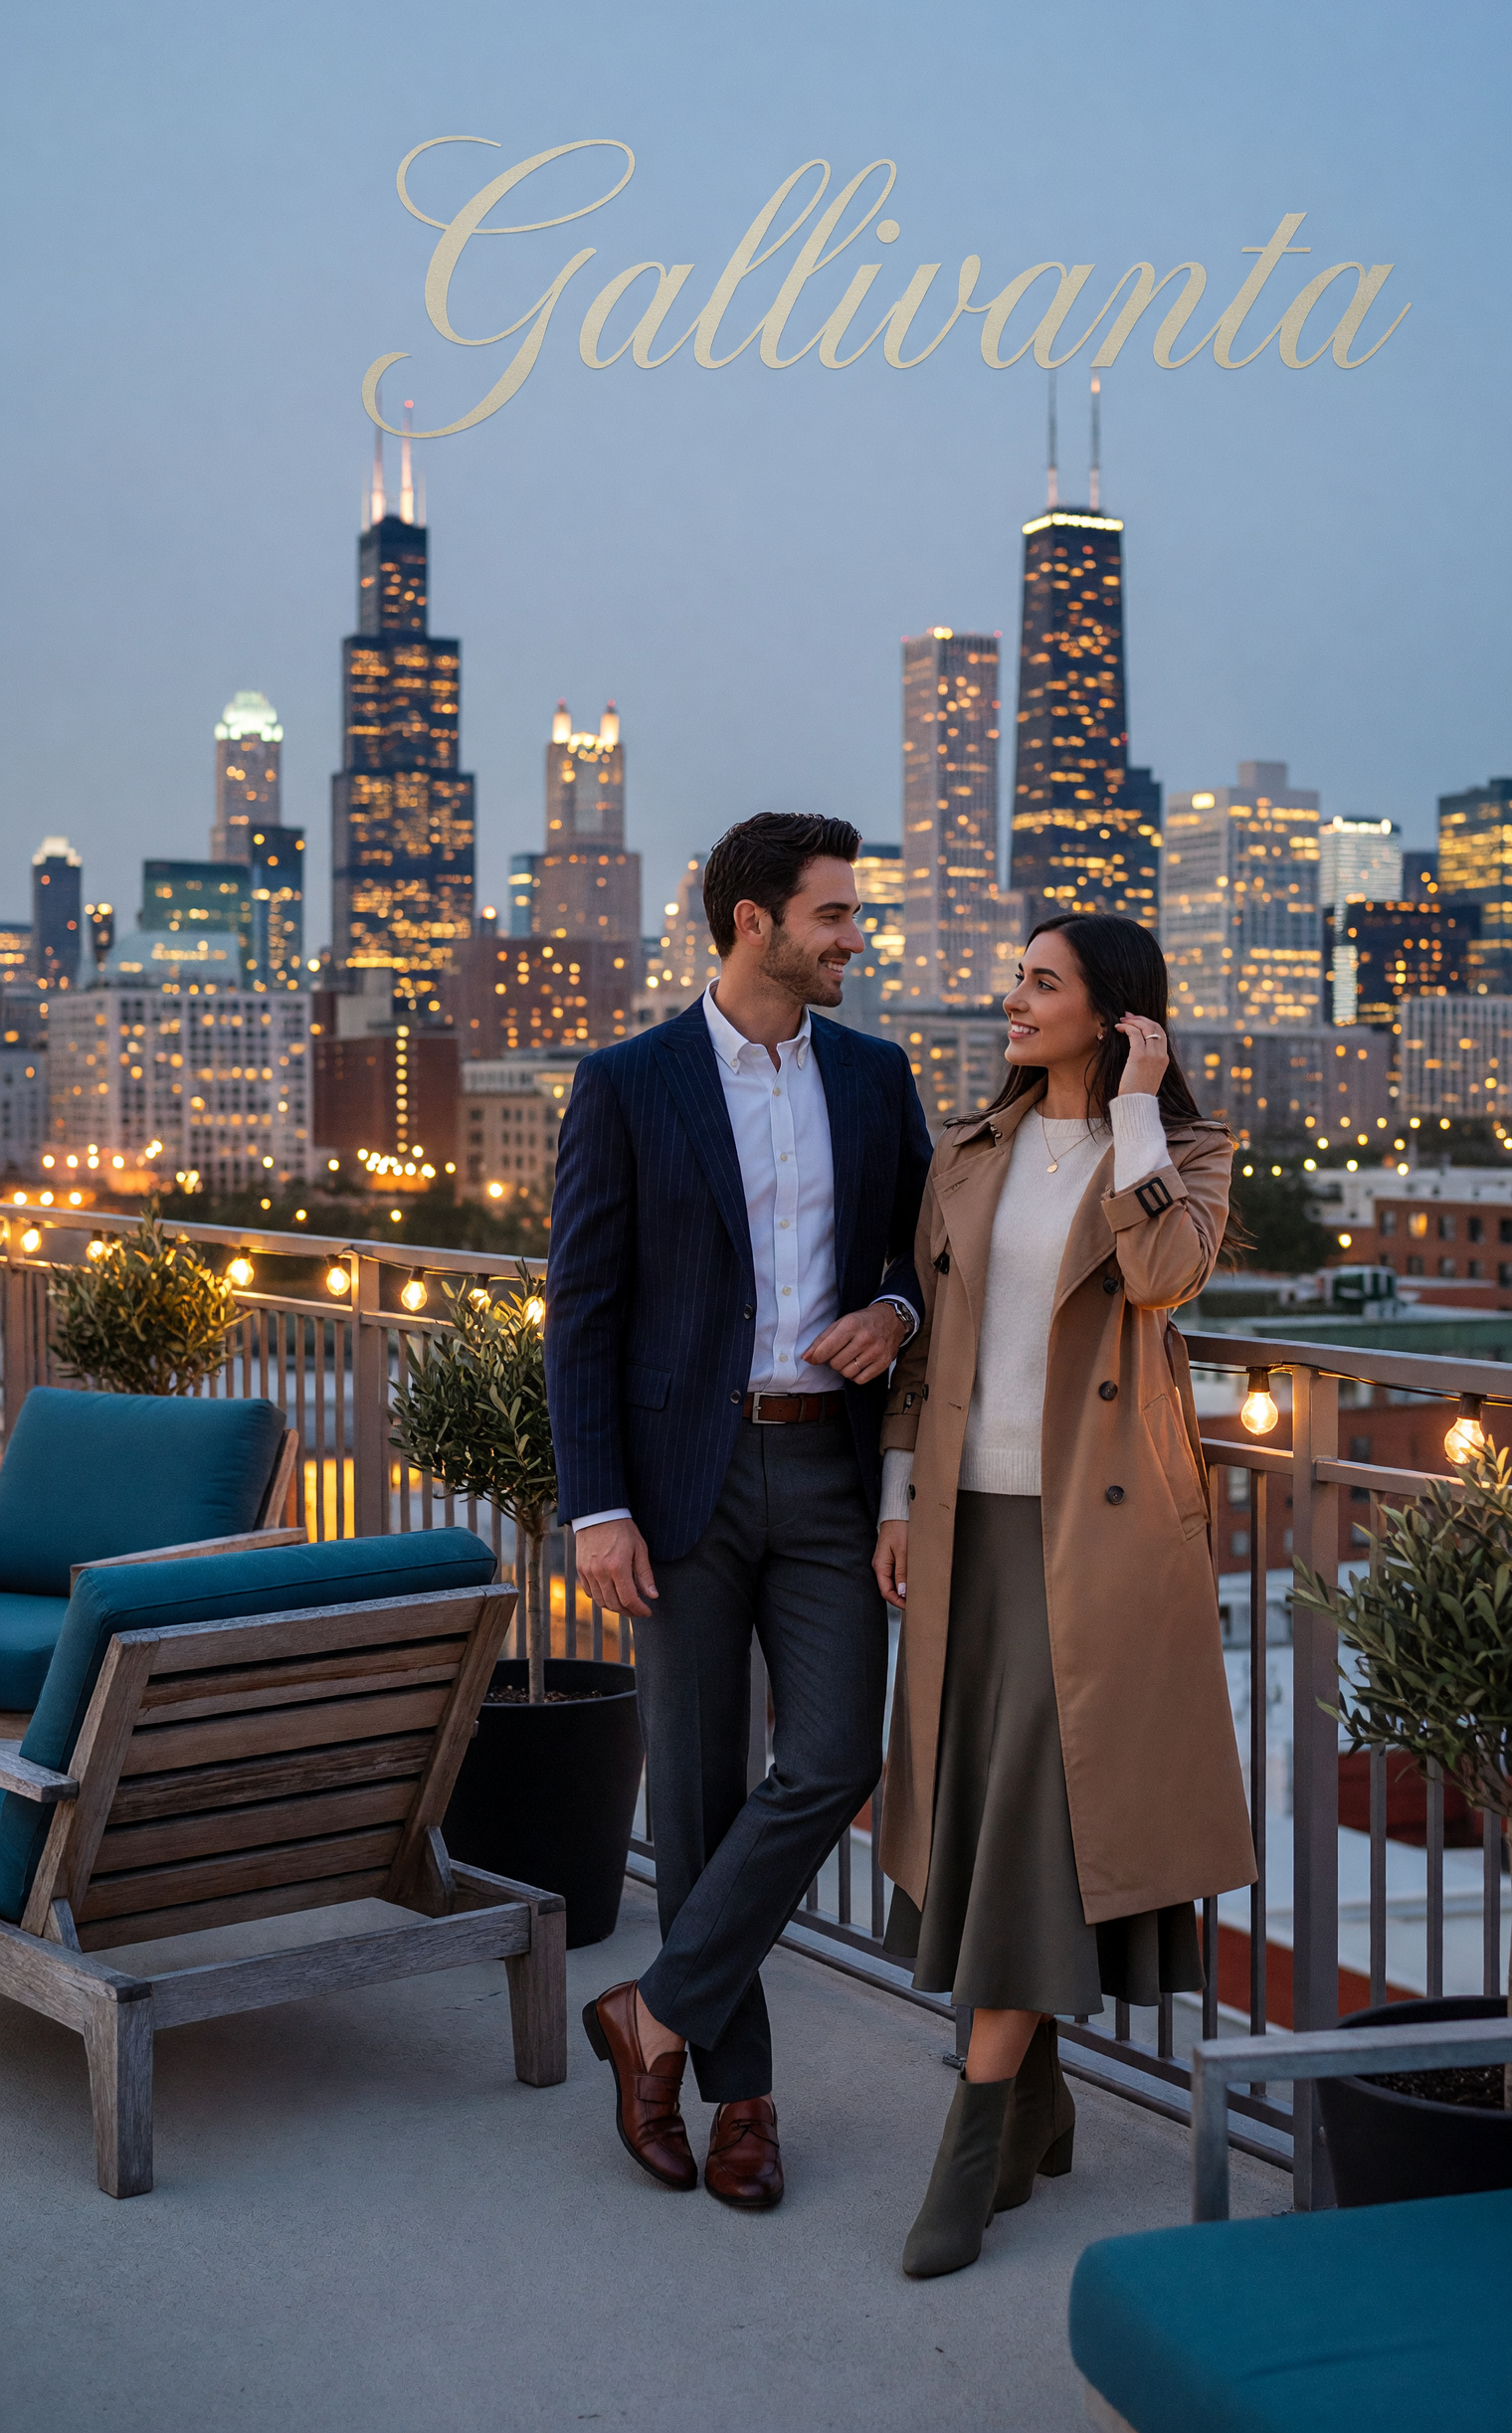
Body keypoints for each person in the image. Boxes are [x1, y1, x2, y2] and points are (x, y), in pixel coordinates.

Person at [545, 811, 931, 2213]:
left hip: (827, 1470)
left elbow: (918, 1259)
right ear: (755, 923)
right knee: (701, 1793)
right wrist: (597, 1508)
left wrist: (893, 1310)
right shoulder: (629, 1080)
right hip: (677, 1484)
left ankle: (650, 2018)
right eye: (834, 914)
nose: (853, 936)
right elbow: (580, 1315)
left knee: (833, 1758)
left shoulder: (880, 1079)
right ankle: (743, 2103)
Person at [873, 911, 1257, 2278]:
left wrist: (1141, 1113)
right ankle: (1039, 2104)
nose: (1012, 1001)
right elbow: (926, 1345)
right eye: (1017, 980)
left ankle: (971, 2144)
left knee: (1042, 1813)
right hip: (966, 1523)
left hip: (1097, 1539)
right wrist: (894, 1498)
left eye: (1041, 984)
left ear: (1116, 1013)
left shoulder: (1184, 1153)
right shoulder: (969, 1152)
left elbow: (1162, 1274)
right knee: (983, 1808)